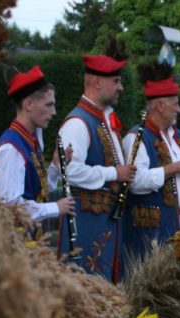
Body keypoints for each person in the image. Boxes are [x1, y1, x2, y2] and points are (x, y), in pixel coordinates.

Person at [57, 52, 136, 282]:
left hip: (103, 225)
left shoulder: (102, 119)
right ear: (97, 82)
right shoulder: (78, 122)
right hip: (85, 224)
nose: (120, 87)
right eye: (116, 81)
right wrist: (115, 173)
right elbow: (70, 172)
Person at [121, 62, 180, 271]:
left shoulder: (178, 136)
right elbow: (136, 182)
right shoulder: (137, 137)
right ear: (160, 106)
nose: (179, 109)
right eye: (175, 104)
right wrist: (175, 168)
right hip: (152, 232)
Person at [0, 65, 75, 232]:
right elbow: (11, 207)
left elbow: (36, 193)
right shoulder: (11, 147)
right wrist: (55, 208)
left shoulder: (31, 140)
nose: (54, 112)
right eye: (48, 105)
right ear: (29, 104)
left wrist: (55, 168)